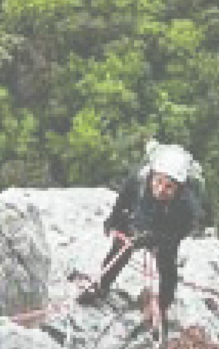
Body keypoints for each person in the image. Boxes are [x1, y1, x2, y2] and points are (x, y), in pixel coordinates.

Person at [75, 140, 211, 328]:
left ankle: (162, 307)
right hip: (141, 215)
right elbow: (123, 201)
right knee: (119, 250)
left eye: (169, 186)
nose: (161, 189)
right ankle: (101, 287)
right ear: (152, 176)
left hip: (167, 227)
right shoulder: (138, 180)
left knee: (167, 267)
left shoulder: (187, 205)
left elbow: (179, 232)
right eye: (158, 181)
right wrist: (114, 220)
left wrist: (156, 239)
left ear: (179, 188)